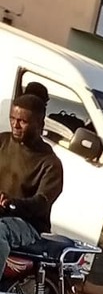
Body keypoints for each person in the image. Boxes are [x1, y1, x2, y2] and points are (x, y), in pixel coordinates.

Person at [0, 84, 63, 254]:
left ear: (39, 123)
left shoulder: (50, 163)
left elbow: (41, 202)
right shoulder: (2, 141)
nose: (15, 125)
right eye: (12, 118)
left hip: (28, 225)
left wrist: (11, 203)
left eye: (22, 121)